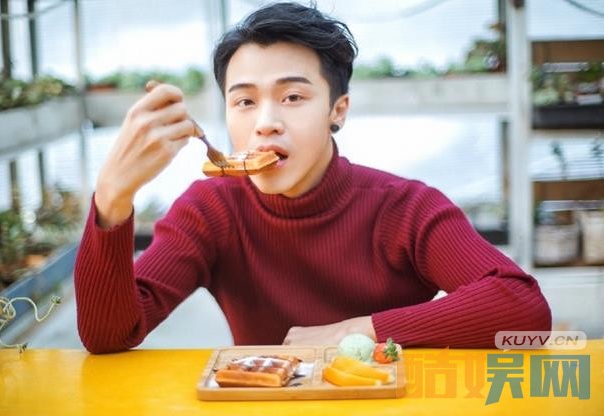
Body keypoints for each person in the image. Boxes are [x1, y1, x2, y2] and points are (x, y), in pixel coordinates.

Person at [74, 2, 551, 354]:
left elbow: (524, 309)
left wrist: (359, 330)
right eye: (244, 101)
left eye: (293, 98)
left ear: (337, 110)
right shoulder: (210, 210)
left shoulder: (404, 208)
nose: (266, 122)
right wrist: (112, 197)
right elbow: (108, 336)